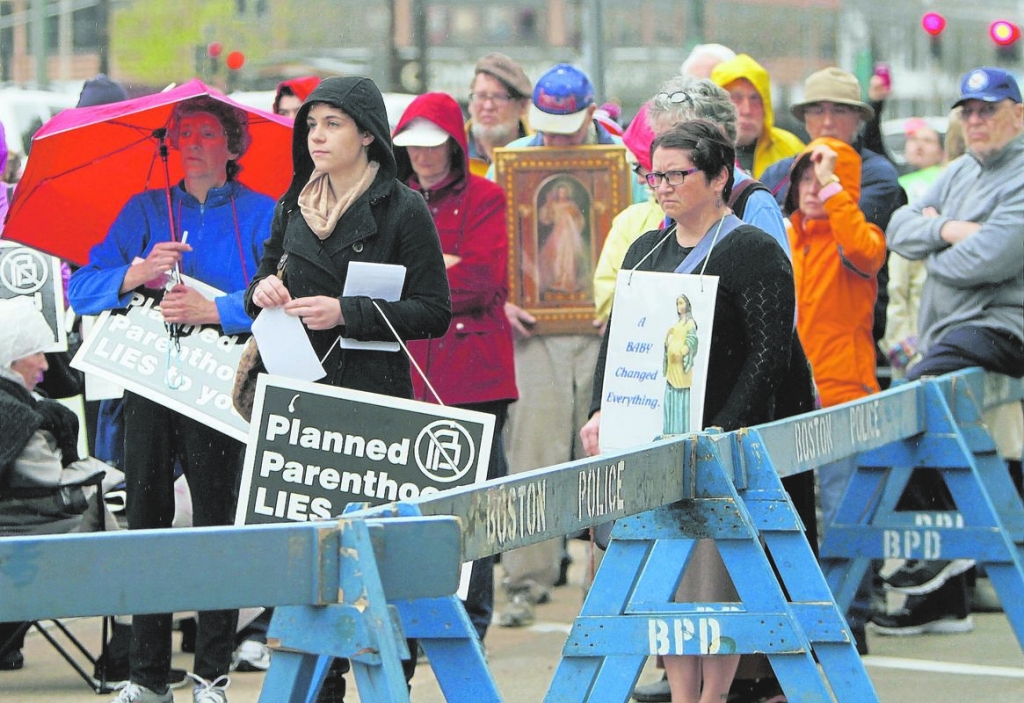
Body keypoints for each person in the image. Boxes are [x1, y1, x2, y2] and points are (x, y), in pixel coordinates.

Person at [244, 75, 451, 703]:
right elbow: (264, 271)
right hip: (301, 402)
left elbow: (434, 310)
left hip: (374, 406)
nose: (316, 136)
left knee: (380, 556)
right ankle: (322, 683)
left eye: (332, 124)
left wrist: (347, 311)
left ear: (367, 134)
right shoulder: (290, 205)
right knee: (312, 556)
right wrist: (265, 290)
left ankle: (391, 675)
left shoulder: (403, 208)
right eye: (311, 125)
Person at [581, 120, 800, 703]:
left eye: (678, 174)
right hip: (650, 438)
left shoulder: (751, 250)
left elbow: (770, 354)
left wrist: (722, 434)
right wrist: (601, 410)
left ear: (720, 175)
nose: (663, 185)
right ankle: (682, 694)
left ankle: (714, 696)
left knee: (712, 576)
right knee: (664, 579)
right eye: (654, 174)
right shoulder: (645, 247)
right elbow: (616, 340)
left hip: (719, 440)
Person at [68, 95, 277, 703]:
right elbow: (81, 287)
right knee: (147, 523)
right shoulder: (142, 209)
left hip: (222, 387)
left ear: (233, 146)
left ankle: (211, 673)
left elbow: (278, 291)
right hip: (149, 385)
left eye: (207, 133)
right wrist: (136, 275)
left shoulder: (263, 214)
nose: (192, 143)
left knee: (216, 524)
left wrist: (217, 307)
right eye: (182, 133)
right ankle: (146, 674)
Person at [878, 67, 1024, 637]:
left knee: (918, 395)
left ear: (1018, 113)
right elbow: (898, 228)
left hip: (1005, 328)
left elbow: (991, 258)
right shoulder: (959, 169)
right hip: (952, 331)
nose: (976, 119)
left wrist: (938, 237)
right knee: (911, 409)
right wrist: (953, 232)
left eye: (988, 108)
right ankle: (940, 559)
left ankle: (949, 539)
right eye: (969, 110)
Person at [487, 63, 623, 629]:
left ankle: (612, 585)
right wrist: (503, 299)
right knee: (533, 454)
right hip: (534, 330)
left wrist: (624, 304)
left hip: (601, 330)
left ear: (592, 112)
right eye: (548, 125)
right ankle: (523, 580)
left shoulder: (622, 164)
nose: (557, 137)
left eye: (568, 125)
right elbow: (494, 245)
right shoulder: (513, 162)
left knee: (609, 460)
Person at [391, 91, 517, 643]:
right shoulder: (390, 202)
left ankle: (472, 625)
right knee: (413, 507)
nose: (421, 156)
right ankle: (421, 620)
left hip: (473, 373)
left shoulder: (488, 197)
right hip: (411, 372)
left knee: (474, 507)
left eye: (431, 144)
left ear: (453, 144)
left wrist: (411, 278)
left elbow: (483, 278)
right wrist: (439, 268)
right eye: (411, 146)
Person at [593, 77, 791, 327]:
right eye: (662, 139)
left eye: (678, 140)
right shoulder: (674, 202)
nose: (665, 152)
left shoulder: (753, 202)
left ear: (714, 139)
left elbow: (779, 312)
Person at [0, 298, 126, 671]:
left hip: (12, 525)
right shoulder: (19, 415)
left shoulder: (18, 405)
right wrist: (107, 474)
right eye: (37, 354)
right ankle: (126, 653)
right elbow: (51, 489)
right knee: (113, 528)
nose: (43, 364)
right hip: (22, 531)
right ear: (12, 359)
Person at [761, 66, 905, 389]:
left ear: (859, 120)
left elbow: (857, 246)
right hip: (795, 383)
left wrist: (831, 184)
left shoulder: (879, 174)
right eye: (817, 110)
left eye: (839, 110)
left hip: (851, 370)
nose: (827, 120)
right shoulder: (781, 175)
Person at [880, 111, 964, 380]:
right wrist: (909, 357)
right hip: (915, 356)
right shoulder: (908, 192)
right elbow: (898, 296)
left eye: (927, 140)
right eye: (913, 139)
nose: (917, 145)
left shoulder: (952, 182)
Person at [710, 54, 805, 178]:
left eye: (755, 99)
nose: (747, 110)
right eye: (736, 98)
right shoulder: (696, 151)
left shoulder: (790, 149)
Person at [466, 53, 533, 175]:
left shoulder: (537, 153)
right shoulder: (452, 153)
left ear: (523, 106)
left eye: (499, 97)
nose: (488, 106)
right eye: (480, 96)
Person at [538, 183, 587, 293]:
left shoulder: (571, 205)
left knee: (569, 256)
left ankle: (569, 281)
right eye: (560, 192)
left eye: (564, 192)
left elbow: (579, 220)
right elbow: (547, 219)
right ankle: (559, 279)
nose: (562, 194)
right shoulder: (553, 204)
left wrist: (572, 218)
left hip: (569, 234)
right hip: (557, 233)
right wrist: (548, 204)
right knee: (557, 255)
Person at [663, 294, 698, 434]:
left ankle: (680, 430)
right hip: (672, 366)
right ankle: (670, 429)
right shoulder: (677, 323)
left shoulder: (690, 323)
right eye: (678, 303)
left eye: (682, 303)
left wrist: (683, 350)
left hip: (681, 365)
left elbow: (692, 339)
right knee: (671, 395)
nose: (679, 306)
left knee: (680, 396)